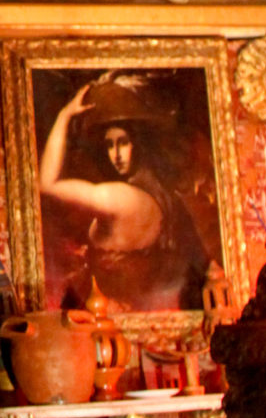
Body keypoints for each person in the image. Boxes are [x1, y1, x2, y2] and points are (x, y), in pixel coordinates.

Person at [38, 81, 211, 312]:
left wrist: (64, 116)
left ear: (139, 143)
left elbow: (47, 184)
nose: (116, 155)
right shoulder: (166, 198)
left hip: (112, 313)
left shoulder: (120, 199)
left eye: (123, 142)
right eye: (110, 145)